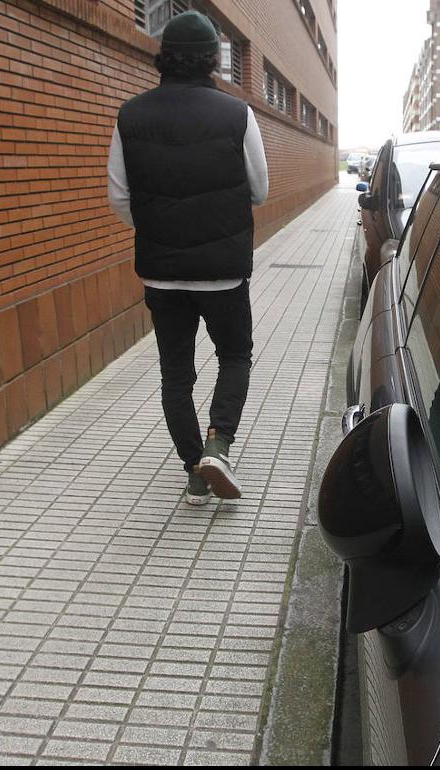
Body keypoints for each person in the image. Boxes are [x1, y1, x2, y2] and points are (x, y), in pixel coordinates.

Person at [106, 11, 269, 505]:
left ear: (164, 57)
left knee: (176, 375)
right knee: (234, 355)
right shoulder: (237, 114)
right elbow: (259, 190)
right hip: (223, 274)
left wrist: (159, 228)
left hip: (162, 274)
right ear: (213, 60)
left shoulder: (130, 115)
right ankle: (218, 444)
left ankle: (194, 470)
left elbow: (119, 197)